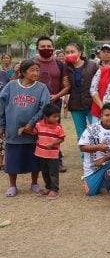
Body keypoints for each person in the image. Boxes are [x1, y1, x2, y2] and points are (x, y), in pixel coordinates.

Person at [0, 59, 51, 197]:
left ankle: (34, 183)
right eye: (32, 70)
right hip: (13, 129)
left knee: (34, 158)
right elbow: (1, 105)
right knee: (12, 158)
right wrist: (1, 125)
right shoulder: (11, 86)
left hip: (33, 130)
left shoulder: (42, 88)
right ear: (23, 72)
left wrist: (31, 124)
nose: (36, 73)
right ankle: (12, 185)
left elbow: (43, 108)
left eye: (37, 70)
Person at [35, 36, 70, 171]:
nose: (46, 49)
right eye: (43, 47)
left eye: (49, 46)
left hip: (54, 104)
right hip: (34, 104)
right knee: (36, 130)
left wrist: (56, 96)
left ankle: (57, 161)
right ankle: (37, 161)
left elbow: (67, 86)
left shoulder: (60, 65)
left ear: (53, 48)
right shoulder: (31, 62)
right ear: (37, 48)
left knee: (54, 133)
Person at [78, 103, 110, 195]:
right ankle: (107, 176)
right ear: (101, 115)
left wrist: (104, 159)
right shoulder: (92, 129)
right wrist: (98, 147)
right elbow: (82, 147)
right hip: (94, 165)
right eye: (107, 115)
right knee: (91, 193)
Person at [64, 43, 99, 141]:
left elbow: (99, 84)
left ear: (79, 52)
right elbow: (66, 86)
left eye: (72, 52)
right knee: (81, 134)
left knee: (97, 132)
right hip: (76, 105)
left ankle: (97, 156)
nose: (70, 54)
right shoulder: (65, 68)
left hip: (92, 104)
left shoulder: (92, 66)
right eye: (67, 52)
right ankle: (84, 156)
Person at [33, 103, 65, 200]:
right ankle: (48, 187)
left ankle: (54, 190)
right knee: (45, 172)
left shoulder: (58, 127)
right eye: (54, 117)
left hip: (53, 155)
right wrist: (24, 129)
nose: (56, 119)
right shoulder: (38, 125)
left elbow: (62, 139)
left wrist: (53, 144)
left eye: (57, 117)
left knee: (53, 173)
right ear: (46, 117)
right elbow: (35, 132)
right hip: (41, 153)